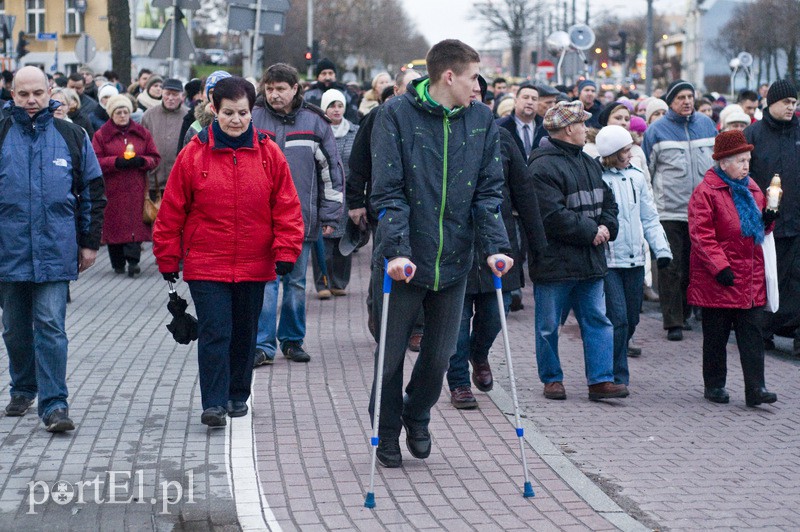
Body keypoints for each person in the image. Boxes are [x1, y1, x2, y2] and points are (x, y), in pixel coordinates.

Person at [369, 40, 514, 467]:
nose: (478, 86)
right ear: (449, 76)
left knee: (438, 357)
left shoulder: (483, 120)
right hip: (404, 261)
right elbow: (387, 190)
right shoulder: (394, 115)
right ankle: (387, 428)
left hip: (454, 261)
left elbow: (489, 191)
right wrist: (395, 249)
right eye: (473, 77)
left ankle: (417, 413)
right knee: (391, 356)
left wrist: (495, 246)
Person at [154, 76, 304, 427]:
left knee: (244, 332)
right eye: (228, 113)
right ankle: (214, 403)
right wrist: (166, 256)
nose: (236, 120)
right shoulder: (193, 154)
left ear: (252, 112)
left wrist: (286, 250)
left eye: (242, 113)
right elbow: (172, 209)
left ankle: (238, 394)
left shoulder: (269, 153)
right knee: (215, 331)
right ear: (213, 111)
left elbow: (286, 206)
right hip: (207, 262)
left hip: (255, 262)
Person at [0, 66, 106, 432]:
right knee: (14, 328)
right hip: (8, 252)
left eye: (37, 94)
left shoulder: (72, 134)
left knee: (49, 326)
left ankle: (54, 405)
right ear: (12, 95)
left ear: (50, 92)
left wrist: (90, 242)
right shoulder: (1, 134)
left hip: (55, 250)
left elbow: (92, 191)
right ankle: (23, 387)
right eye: (23, 94)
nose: (31, 101)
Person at [446, 77, 547, 408]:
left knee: (496, 312)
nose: (472, 98)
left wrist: (538, 244)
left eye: (478, 94)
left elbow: (524, 191)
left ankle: (480, 353)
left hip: (496, 241)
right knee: (456, 322)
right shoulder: (442, 133)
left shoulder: (502, 138)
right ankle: (459, 380)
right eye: (468, 92)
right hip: (455, 244)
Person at [529, 100, 627, 402]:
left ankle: (600, 380)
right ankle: (552, 379)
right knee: (548, 326)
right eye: (582, 124)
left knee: (597, 320)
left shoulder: (588, 162)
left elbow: (608, 201)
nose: (586, 128)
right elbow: (552, 216)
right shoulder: (541, 166)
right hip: (555, 263)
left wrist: (608, 227)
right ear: (569, 128)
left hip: (588, 260)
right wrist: (592, 232)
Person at [252, 63, 344, 365]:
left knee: (296, 283)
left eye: (281, 89)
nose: (274, 94)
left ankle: (292, 340)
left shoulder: (314, 122)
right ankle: (262, 345)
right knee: (266, 282)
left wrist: (331, 215)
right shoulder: (253, 118)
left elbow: (331, 171)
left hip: (300, 219)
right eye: (270, 88)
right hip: (260, 218)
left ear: (295, 89)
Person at [687, 130, 778, 406]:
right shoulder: (706, 191)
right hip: (719, 279)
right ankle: (714, 385)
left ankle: (756, 389)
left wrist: (770, 218)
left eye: (747, 160)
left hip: (749, 277)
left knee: (752, 335)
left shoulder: (752, 188)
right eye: (740, 161)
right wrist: (720, 267)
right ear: (724, 162)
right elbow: (701, 235)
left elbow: (759, 231)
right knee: (716, 336)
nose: (746, 166)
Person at [347, 68, 423, 343]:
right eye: (412, 86)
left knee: (418, 263)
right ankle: (379, 314)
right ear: (397, 91)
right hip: (385, 206)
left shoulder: (427, 119)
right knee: (386, 261)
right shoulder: (379, 117)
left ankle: (416, 327)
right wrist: (356, 202)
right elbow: (358, 163)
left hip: (421, 207)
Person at [596, 125, 671, 383]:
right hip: (609, 258)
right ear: (613, 152)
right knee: (617, 318)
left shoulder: (637, 176)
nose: (630, 154)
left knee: (631, 318)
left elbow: (649, 218)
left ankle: (611, 362)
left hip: (636, 258)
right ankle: (616, 375)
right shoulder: (598, 177)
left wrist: (661, 250)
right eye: (626, 150)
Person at [642, 80, 717, 341]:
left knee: (693, 266)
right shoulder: (656, 131)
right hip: (669, 211)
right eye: (680, 97)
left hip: (703, 211)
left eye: (690, 96)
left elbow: (717, 165)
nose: (686, 101)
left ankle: (685, 313)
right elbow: (647, 172)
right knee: (671, 266)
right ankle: (672, 320)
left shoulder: (707, 126)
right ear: (671, 102)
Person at [745, 79, 800, 356]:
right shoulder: (753, 134)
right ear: (772, 103)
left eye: (794, 102)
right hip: (766, 224)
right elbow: (742, 177)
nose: (792, 107)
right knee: (768, 279)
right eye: (786, 102)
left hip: (798, 222)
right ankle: (763, 332)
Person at [92, 95, 161, 277]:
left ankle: (133, 261)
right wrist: (115, 162)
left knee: (134, 226)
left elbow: (155, 157)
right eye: (118, 112)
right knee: (115, 227)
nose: (122, 115)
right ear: (111, 114)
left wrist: (141, 161)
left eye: (125, 112)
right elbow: (95, 161)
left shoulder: (142, 133)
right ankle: (118, 263)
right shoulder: (101, 135)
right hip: (113, 189)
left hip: (137, 189)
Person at [310, 89, 359, 297]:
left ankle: (339, 281)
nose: (336, 110)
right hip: (324, 192)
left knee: (343, 241)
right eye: (331, 106)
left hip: (347, 193)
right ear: (324, 108)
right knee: (322, 240)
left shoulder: (354, 131)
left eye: (339, 106)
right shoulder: (318, 130)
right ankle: (322, 283)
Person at [141, 78, 187, 196]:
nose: (170, 98)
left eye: (175, 94)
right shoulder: (149, 115)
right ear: (162, 93)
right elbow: (141, 145)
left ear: (182, 96)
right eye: (167, 94)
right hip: (153, 179)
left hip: (180, 181)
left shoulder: (188, 117)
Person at [497, 84, 540, 160]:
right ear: (516, 101)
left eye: (534, 99)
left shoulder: (544, 128)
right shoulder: (500, 126)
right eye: (525, 98)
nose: (530, 102)